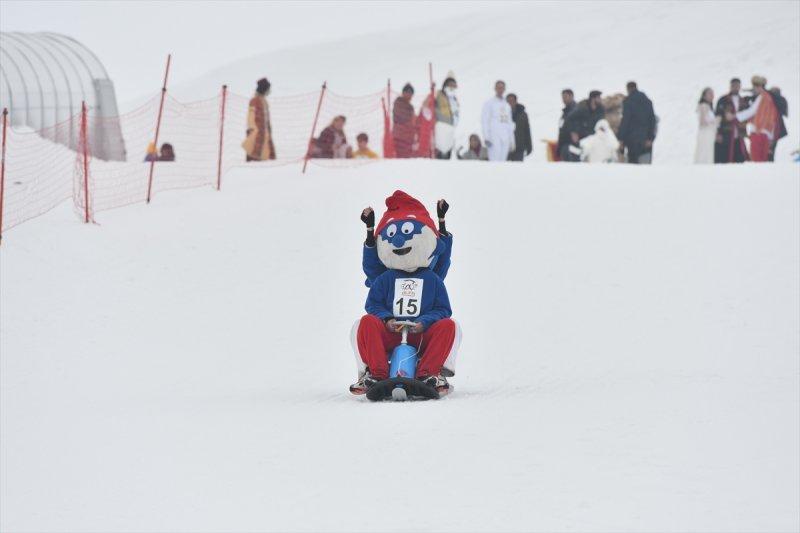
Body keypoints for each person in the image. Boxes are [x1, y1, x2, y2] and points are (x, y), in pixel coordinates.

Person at [350, 191, 457, 395]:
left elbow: (443, 309)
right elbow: (373, 305)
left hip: (420, 335)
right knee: (366, 322)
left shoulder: (432, 279)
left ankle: (429, 374)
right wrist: (387, 319)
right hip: (392, 334)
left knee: (448, 326)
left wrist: (424, 322)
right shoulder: (386, 278)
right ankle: (377, 374)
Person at [736, 75, 786, 162]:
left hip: (758, 132)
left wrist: (735, 116)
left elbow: (751, 111)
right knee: (764, 160)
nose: (754, 89)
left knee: (756, 159)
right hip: (767, 133)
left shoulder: (762, 97)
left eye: (755, 87)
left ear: (760, 87)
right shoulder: (770, 98)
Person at [618, 81, 657, 164]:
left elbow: (625, 121)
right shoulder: (647, 101)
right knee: (645, 164)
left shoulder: (628, 102)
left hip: (632, 140)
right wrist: (650, 138)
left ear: (628, 89)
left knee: (633, 166)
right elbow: (652, 120)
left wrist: (621, 138)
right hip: (645, 138)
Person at [562, 90, 605, 162]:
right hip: (581, 138)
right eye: (598, 97)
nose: (600, 99)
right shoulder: (582, 108)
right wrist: (573, 132)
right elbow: (569, 119)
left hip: (594, 138)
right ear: (593, 99)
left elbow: (601, 122)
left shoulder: (601, 110)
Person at [714, 78, 749, 163]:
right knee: (724, 157)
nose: (735, 88)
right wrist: (717, 132)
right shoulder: (723, 100)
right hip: (726, 132)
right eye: (734, 86)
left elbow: (748, 115)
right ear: (730, 86)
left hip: (739, 133)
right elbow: (718, 116)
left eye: (737, 86)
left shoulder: (743, 101)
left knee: (739, 158)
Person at [242, 77, 275, 162]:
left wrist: (268, 128)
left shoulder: (264, 101)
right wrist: (253, 129)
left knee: (265, 156)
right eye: (268, 89)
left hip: (264, 132)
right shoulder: (254, 100)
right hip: (256, 132)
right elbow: (251, 116)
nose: (269, 91)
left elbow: (266, 117)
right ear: (264, 89)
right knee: (254, 154)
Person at [481, 80, 515, 161]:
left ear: (504, 89)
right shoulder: (489, 103)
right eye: (498, 87)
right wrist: (486, 137)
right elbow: (484, 121)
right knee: (494, 160)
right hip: (494, 135)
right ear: (495, 89)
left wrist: (512, 140)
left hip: (505, 136)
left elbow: (510, 123)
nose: (500, 90)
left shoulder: (507, 105)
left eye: (502, 88)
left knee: (502, 160)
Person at [434, 74, 460, 159]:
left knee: (448, 151)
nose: (452, 87)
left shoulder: (454, 99)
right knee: (440, 151)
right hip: (441, 126)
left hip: (451, 127)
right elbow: (431, 105)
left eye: (454, 85)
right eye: (450, 84)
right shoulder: (439, 94)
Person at [694, 88, 718, 164]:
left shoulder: (709, 107)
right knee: (704, 152)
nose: (712, 96)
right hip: (705, 133)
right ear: (704, 96)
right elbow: (703, 121)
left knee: (708, 152)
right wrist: (716, 121)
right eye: (709, 94)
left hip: (710, 133)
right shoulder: (703, 106)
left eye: (712, 94)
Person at [393, 83, 417, 158]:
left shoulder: (410, 107)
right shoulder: (398, 103)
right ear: (403, 93)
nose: (409, 95)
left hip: (409, 139)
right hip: (399, 137)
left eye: (411, 93)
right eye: (407, 92)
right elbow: (402, 117)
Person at [506, 93, 532, 162]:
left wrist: (529, 146)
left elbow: (527, 130)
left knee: (517, 169)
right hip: (505, 147)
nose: (510, 103)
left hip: (519, 147)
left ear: (515, 101)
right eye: (508, 101)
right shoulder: (501, 114)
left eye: (512, 101)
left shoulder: (523, 114)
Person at [767, 86, 789, 161]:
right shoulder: (778, 99)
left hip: (775, 126)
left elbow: (784, 112)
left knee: (770, 149)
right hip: (773, 126)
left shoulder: (780, 99)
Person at [556, 89, 577, 161]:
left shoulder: (576, 111)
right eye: (562, 97)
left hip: (571, 147)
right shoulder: (565, 112)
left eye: (565, 97)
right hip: (564, 146)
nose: (563, 99)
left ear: (571, 96)